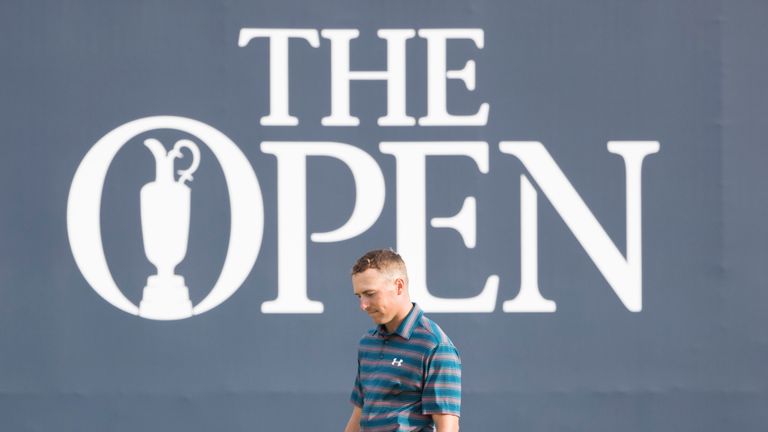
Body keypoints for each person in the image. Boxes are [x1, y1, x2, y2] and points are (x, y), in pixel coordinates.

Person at [344, 249, 461, 432]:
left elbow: (448, 427)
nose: (363, 305)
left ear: (399, 286)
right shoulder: (368, 342)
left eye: (370, 293)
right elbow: (358, 416)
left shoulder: (435, 345)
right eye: (359, 296)